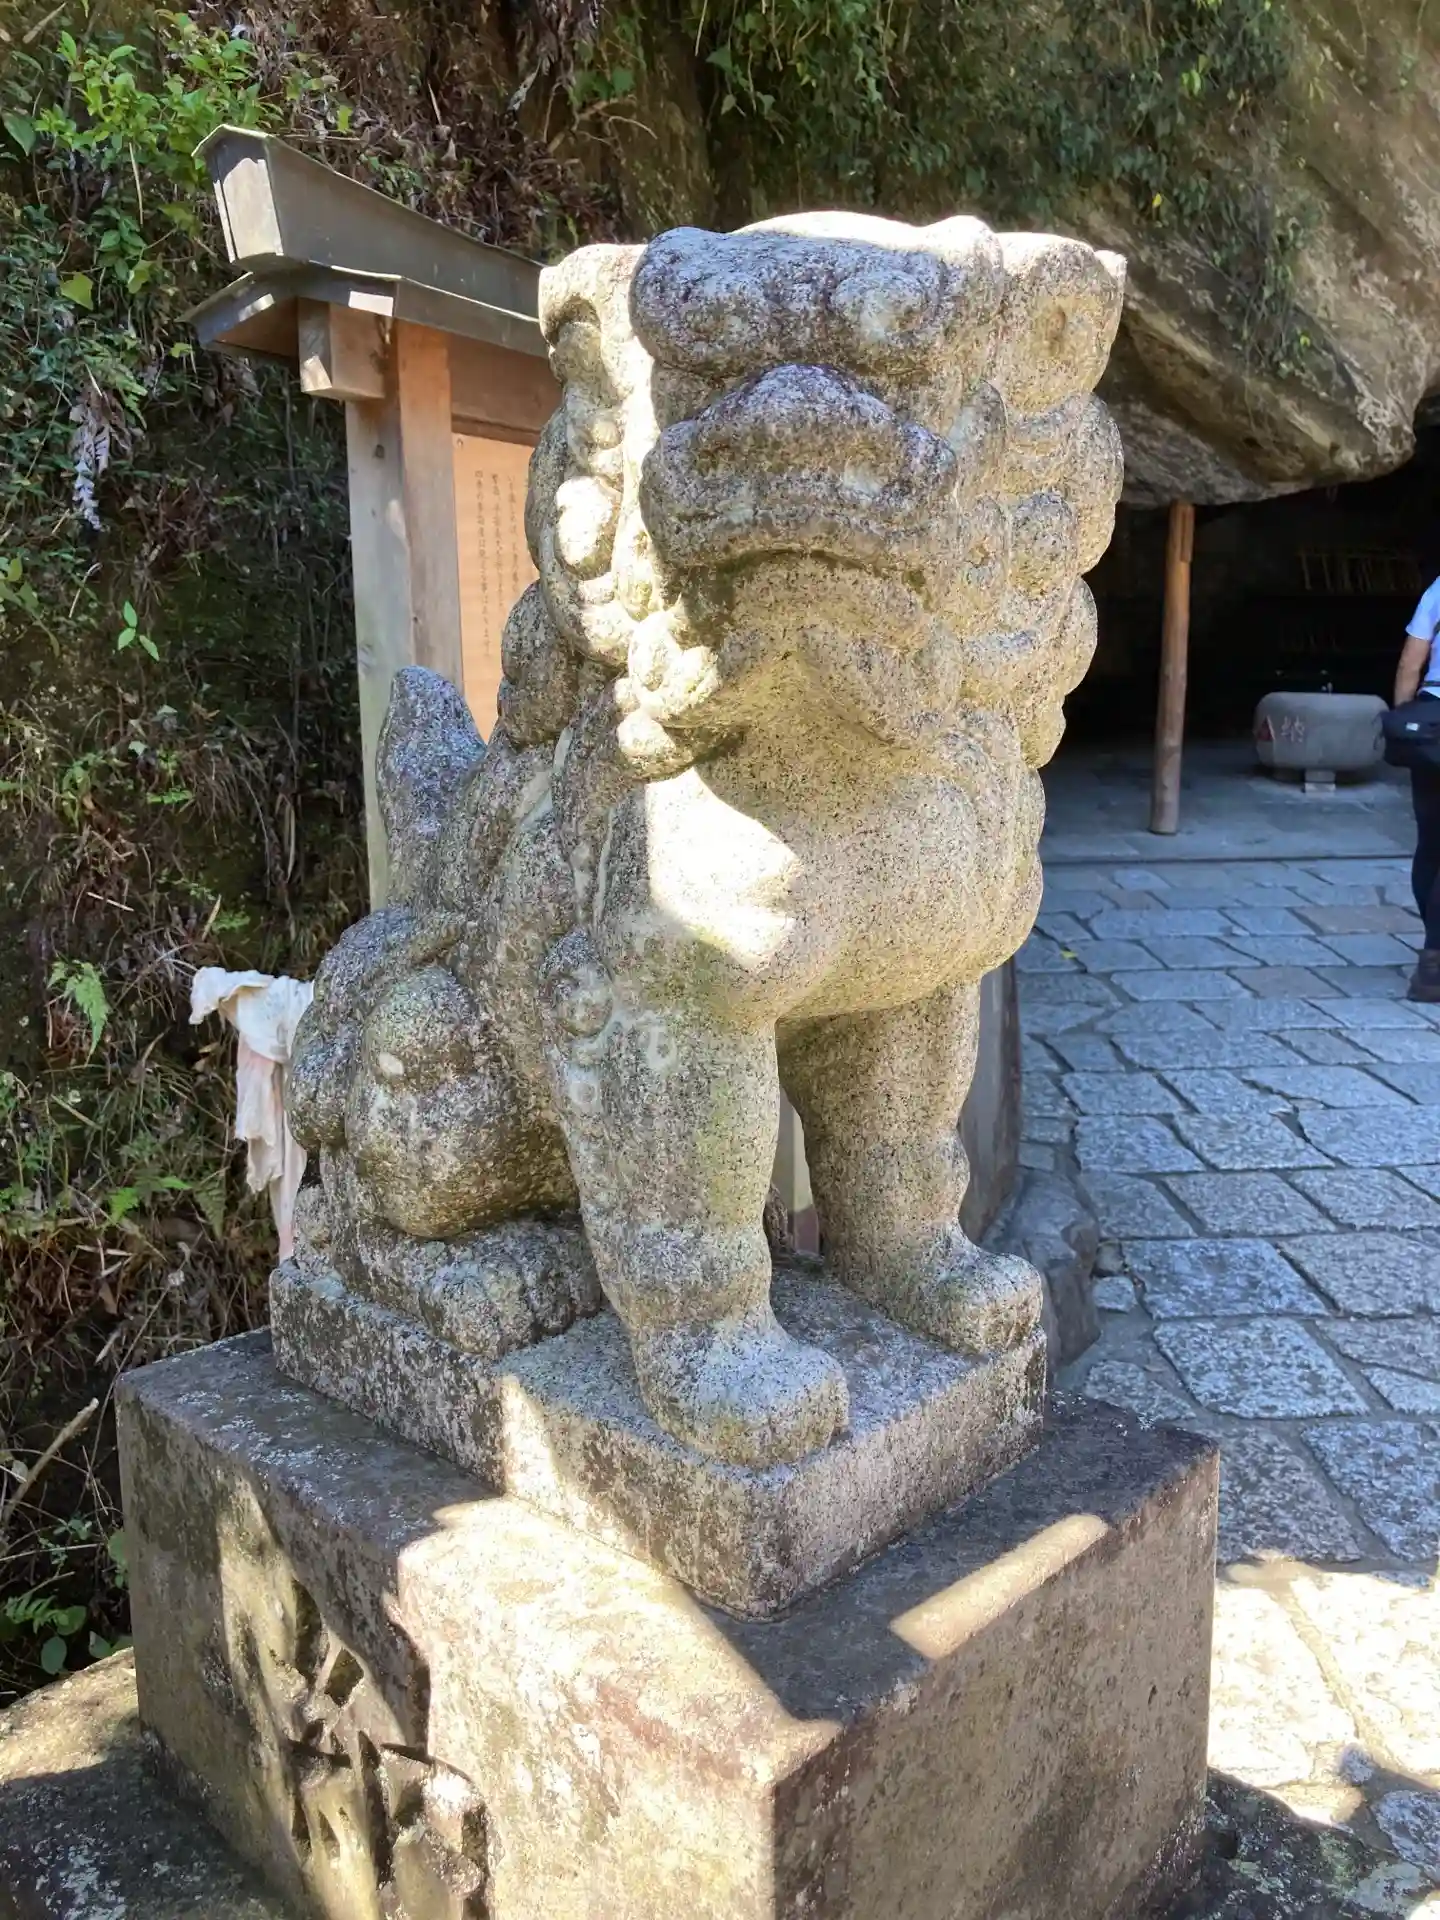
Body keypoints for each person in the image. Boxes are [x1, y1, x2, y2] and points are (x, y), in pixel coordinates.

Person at [1395, 578, 1440, 1000]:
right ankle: (1433, 964)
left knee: (1430, 842)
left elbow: (1411, 662)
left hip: (1429, 720)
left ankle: (1434, 949)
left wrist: (1404, 724)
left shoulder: (1439, 588)